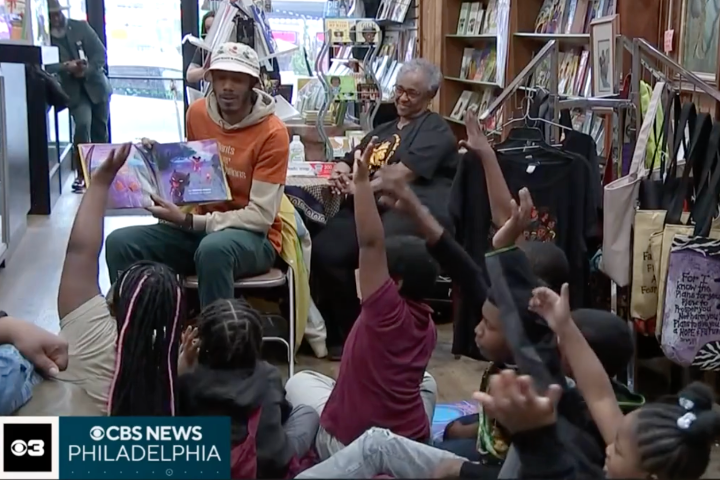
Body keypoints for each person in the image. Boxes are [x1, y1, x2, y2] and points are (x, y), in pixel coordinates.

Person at [285, 139, 440, 461]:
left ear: (393, 283)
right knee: (426, 382)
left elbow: (371, 242)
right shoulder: (428, 326)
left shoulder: (385, 310)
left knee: (299, 381)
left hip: (349, 444)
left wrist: (362, 183)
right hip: (409, 440)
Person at [105, 42, 289, 308]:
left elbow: (260, 218)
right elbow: (195, 179)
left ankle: (216, 343)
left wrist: (190, 221)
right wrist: (159, 159)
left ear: (252, 83)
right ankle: (137, 335)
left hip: (254, 239)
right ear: (210, 78)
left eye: (236, 79)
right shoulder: (198, 113)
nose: (227, 86)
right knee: (120, 243)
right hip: (200, 228)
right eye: (220, 77)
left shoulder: (273, 132)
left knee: (214, 249)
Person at [9, 144, 184, 416]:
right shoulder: (168, 369)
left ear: (114, 301)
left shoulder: (88, 323)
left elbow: (80, 250)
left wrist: (100, 181)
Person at [313, 58, 457, 359]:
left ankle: (376, 337)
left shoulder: (436, 131)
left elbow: (400, 175)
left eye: (412, 94)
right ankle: (348, 332)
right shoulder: (386, 126)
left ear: (430, 96)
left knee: (378, 254)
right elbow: (354, 155)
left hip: (406, 212)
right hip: (367, 207)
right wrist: (341, 168)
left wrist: (360, 186)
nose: (402, 98)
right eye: (399, 90)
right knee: (324, 249)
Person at [527, 284, 720, 480]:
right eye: (615, 441)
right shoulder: (636, 457)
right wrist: (565, 326)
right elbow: (600, 396)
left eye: (618, 450)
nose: (608, 449)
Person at [176, 299, 319, 477]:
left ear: (203, 342)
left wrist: (180, 369)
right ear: (257, 339)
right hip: (268, 465)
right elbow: (283, 413)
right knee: (306, 412)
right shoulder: (268, 375)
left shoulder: (189, 380)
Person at [47, 0, 112, 193]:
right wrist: (66, 67)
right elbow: (46, 65)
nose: (56, 18)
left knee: (101, 130)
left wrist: (86, 69)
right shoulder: (47, 39)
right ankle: (82, 174)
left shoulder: (81, 27)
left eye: (58, 13)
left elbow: (101, 54)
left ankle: (103, 173)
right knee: (83, 126)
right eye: (52, 15)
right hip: (74, 92)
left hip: (97, 87)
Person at [186, 11, 216, 85]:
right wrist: (205, 70)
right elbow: (189, 76)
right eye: (208, 28)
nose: (210, 31)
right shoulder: (202, 49)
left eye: (213, 27)